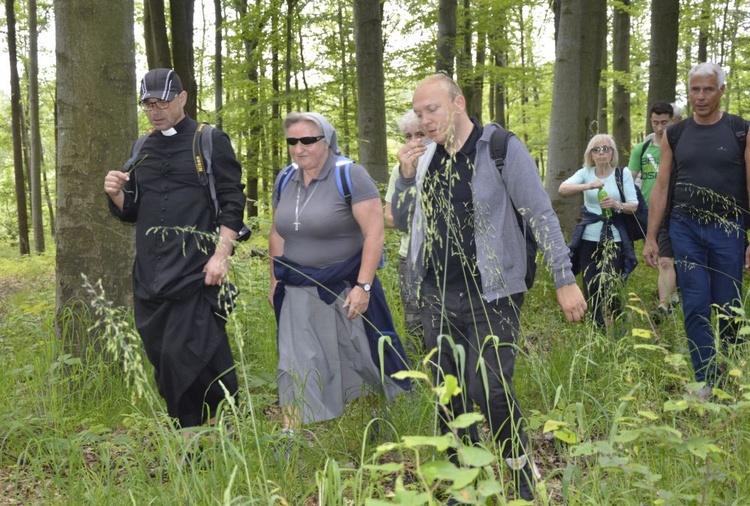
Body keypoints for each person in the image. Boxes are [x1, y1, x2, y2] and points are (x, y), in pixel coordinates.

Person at [392, 74, 587, 502]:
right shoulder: (424, 158)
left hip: (493, 291)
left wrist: (564, 278)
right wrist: (406, 178)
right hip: (438, 290)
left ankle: (518, 470)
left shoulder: (499, 148)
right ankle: (463, 473)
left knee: (491, 389)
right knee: (448, 387)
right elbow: (404, 222)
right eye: (419, 112)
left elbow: (539, 213)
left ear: (458, 104)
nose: (424, 121)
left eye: (433, 110)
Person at [103, 68, 246, 429]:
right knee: (163, 354)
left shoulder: (209, 140)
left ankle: (207, 430)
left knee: (196, 350)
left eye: (162, 102)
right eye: (149, 104)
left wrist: (221, 255)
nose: (155, 110)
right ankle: (205, 428)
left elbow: (232, 201)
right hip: (150, 274)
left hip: (197, 270)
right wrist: (117, 194)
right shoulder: (141, 148)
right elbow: (132, 210)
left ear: (182, 99)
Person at [269, 112, 410, 431]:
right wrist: (275, 280)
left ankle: (380, 421)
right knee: (294, 362)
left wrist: (364, 286)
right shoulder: (285, 179)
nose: (299, 148)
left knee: (362, 359)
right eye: (293, 141)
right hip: (295, 288)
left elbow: (375, 234)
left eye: (307, 140)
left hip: (345, 287)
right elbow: (277, 233)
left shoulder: (350, 175)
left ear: (327, 141)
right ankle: (292, 433)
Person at [643, 62, 750, 395]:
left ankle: (731, 371)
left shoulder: (740, 130)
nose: (700, 97)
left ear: (721, 90)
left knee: (728, 303)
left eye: (707, 89)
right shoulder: (675, 133)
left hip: (728, 229)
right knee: (695, 302)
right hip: (685, 228)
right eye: (694, 90)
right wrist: (651, 235)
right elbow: (661, 187)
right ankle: (705, 379)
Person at [561, 134, 639, 330]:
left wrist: (615, 204)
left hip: (615, 238)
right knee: (591, 285)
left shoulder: (623, 174)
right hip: (589, 239)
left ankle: (619, 330)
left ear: (613, 153)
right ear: (591, 154)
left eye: (606, 149)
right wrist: (589, 185)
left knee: (613, 285)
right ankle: (596, 330)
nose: (602, 153)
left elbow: (634, 206)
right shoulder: (586, 172)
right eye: (597, 149)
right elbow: (563, 189)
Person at [628, 102, 679, 322]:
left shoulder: (679, 146)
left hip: (677, 209)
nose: (659, 128)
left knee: (676, 258)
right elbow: (629, 179)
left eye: (664, 123)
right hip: (651, 211)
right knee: (664, 259)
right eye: (655, 123)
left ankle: (674, 296)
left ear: (673, 121)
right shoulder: (642, 149)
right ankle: (665, 304)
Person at [384, 110, 426, 344]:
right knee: (414, 322)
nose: (414, 142)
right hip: (408, 256)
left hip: (443, 257)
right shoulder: (398, 170)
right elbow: (390, 218)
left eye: (419, 134)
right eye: (408, 136)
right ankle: (419, 377)